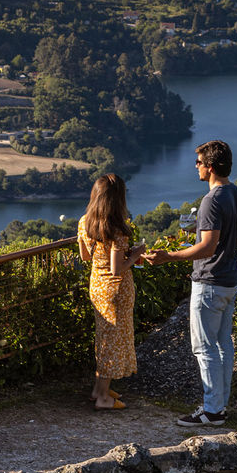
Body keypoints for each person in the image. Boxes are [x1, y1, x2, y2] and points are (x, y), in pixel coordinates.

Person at [143, 140, 237, 426]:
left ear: (211, 167)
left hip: (210, 280)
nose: (196, 167)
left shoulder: (211, 201)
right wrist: (207, 231)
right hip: (231, 278)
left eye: (199, 163)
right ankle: (220, 405)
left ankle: (212, 411)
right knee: (224, 343)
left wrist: (169, 256)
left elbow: (207, 248)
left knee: (204, 347)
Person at [78, 173, 147, 410]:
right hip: (117, 290)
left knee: (104, 339)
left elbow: (85, 256)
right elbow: (118, 270)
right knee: (114, 341)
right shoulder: (117, 230)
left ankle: (99, 389)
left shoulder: (84, 222)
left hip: (96, 286)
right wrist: (137, 253)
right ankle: (103, 399)